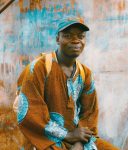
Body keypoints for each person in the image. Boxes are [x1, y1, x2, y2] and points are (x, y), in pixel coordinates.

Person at [16, 17, 119, 150]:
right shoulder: (39, 68)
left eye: (80, 36)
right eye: (68, 36)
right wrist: (68, 135)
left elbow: (89, 115)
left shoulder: (85, 73)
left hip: (76, 138)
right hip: (45, 139)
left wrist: (79, 142)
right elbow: (31, 114)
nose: (76, 40)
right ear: (57, 39)